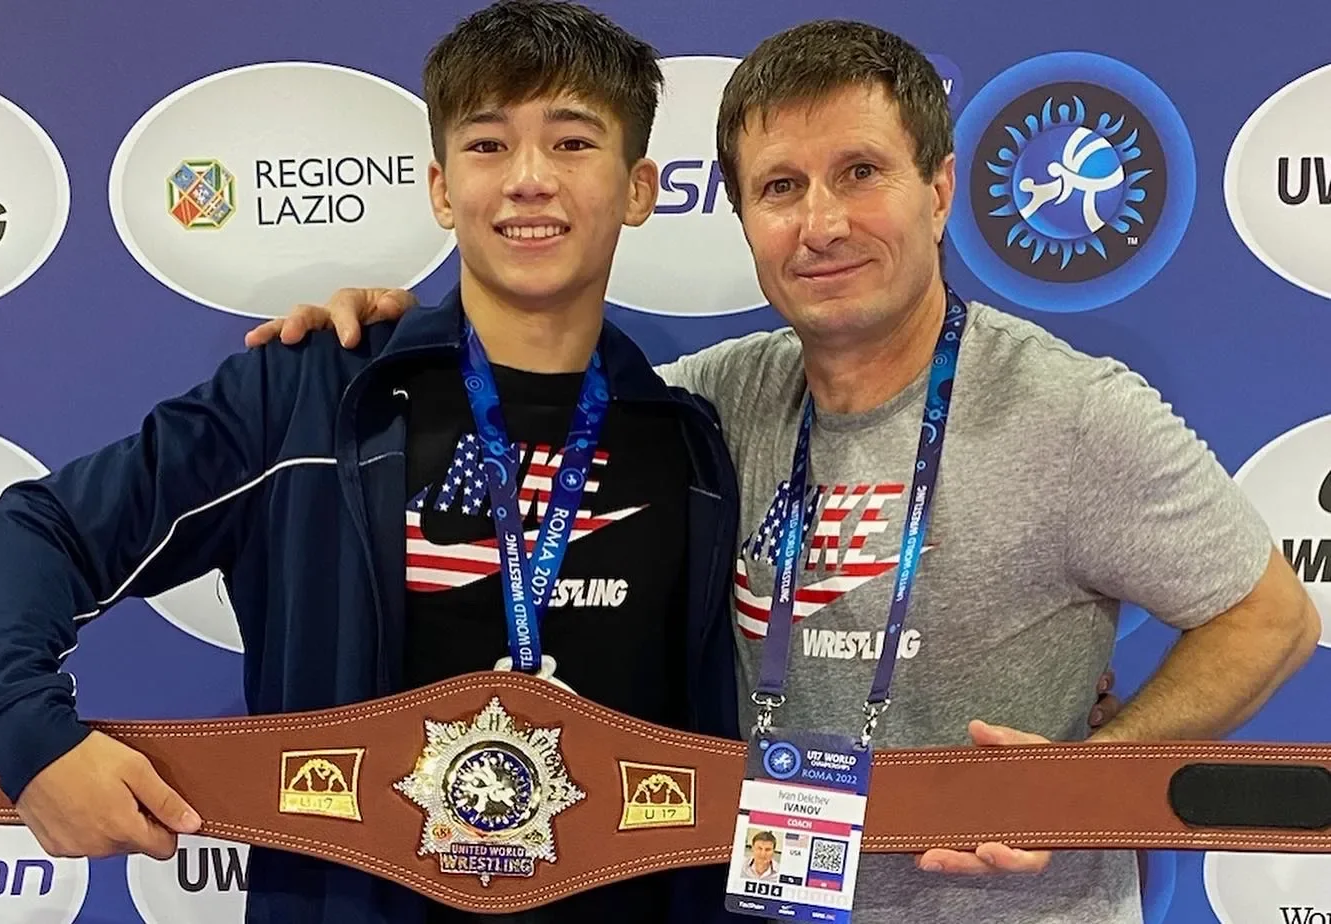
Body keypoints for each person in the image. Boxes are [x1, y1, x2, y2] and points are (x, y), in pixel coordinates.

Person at [255, 17, 1323, 924]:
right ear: (743, 217)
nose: (821, 223)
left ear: (939, 188)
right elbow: (525, 398)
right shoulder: (706, 402)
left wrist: (1077, 775)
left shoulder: (1071, 409)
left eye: (860, 173)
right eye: (780, 187)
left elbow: (1271, 619)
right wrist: (384, 337)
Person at [0, 3, 749, 923]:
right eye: (488, 146)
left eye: (573, 144)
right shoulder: (308, 397)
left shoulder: (688, 443)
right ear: (443, 189)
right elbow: (25, 539)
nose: (530, 180)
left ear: (639, 188)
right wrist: (30, 735)